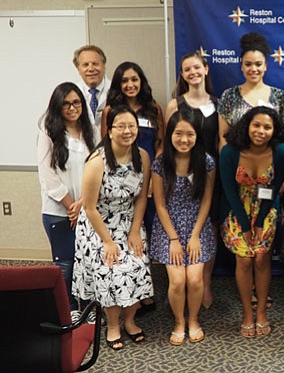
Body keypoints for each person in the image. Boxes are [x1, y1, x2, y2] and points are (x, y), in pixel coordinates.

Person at [72, 105, 153, 350]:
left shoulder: (143, 157)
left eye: (132, 126)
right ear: (109, 130)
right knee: (112, 271)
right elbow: (89, 208)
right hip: (98, 227)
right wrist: (108, 241)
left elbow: (141, 198)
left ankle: (130, 321)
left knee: (137, 266)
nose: (127, 131)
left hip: (128, 222)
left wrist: (135, 230)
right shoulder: (97, 161)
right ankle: (114, 325)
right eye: (121, 126)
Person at [220, 106, 284, 338]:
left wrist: (259, 221)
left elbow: (274, 189)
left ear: (275, 130)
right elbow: (229, 189)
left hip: (266, 209)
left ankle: (261, 312)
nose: (261, 131)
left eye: (267, 127)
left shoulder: (281, 151)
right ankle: (247, 314)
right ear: (247, 126)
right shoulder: (230, 151)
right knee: (243, 260)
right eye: (256, 125)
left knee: (261, 259)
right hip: (236, 209)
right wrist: (244, 222)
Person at [149, 109, 216, 346]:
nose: (184, 139)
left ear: (197, 135)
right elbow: (159, 204)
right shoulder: (160, 163)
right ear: (170, 134)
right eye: (178, 133)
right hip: (169, 228)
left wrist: (196, 234)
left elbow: (207, 200)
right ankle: (179, 321)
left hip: (197, 224)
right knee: (177, 280)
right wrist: (174, 239)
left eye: (190, 134)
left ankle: (194, 320)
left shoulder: (206, 162)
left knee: (195, 279)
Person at [37, 82, 95, 321]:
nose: (72, 108)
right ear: (58, 106)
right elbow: (47, 176)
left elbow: (97, 168)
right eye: (67, 103)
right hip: (59, 211)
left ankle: (88, 306)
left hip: (87, 208)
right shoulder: (48, 132)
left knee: (89, 261)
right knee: (66, 264)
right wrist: (72, 205)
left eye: (77, 103)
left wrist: (83, 203)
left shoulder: (90, 131)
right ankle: (69, 307)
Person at [166, 51, 220, 310]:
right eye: (187, 69)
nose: (193, 73)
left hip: (211, 174)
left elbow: (222, 142)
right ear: (182, 74)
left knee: (211, 228)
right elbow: (168, 144)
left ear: (206, 69)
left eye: (197, 67)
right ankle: (186, 282)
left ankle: (205, 281)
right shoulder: (175, 104)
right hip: (182, 177)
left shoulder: (218, 104)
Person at [103, 62, 165, 267]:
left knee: (146, 227)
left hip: (147, 178)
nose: (130, 84)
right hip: (121, 179)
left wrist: (152, 180)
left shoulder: (153, 108)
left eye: (134, 79)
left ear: (141, 81)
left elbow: (160, 144)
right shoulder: (110, 110)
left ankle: (146, 282)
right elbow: (106, 145)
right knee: (122, 229)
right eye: (125, 80)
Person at [218, 32, 284, 150]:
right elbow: (223, 137)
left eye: (258, 64)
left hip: (270, 163)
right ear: (241, 66)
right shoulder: (229, 95)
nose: (253, 69)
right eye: (248, 64)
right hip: (237, 162)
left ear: (265, 66)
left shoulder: (279, 96)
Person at [73, 44, 110, 140]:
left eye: (95, 64)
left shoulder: (116, 90)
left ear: (104, 66)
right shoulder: (71, 93)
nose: (91, 69)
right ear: (78, 69)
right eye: (85, 65)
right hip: (82, 149)